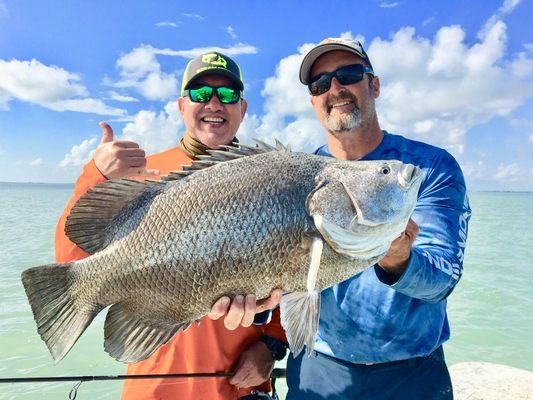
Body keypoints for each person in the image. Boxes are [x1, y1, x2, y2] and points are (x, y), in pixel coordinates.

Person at [55, 52, 287, 400]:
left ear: (243, 108)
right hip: (156, 388)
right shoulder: (143, 172)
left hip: (238, 387)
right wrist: (95, 177)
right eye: (200, 94)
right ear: (181, 106)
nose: (214, 103)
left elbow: (295, 278)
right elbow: (70, 260)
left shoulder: (273, 177)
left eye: (226, 95)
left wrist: (270, 346)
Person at [286, 38, 472, 399]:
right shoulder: (296, 178)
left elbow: (442, 279)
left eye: (349, 75)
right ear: (313, 101)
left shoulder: (426, 169)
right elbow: (282, 276)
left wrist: (399, 258)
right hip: (319, 369)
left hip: (412, 374)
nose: (335, 89)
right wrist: (265, 337)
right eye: (321, 84)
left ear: (374, 84)